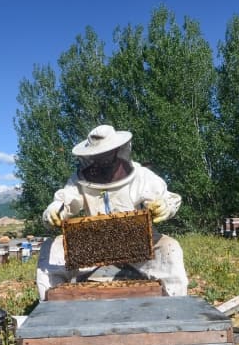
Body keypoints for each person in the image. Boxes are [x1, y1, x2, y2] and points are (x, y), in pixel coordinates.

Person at [36, 124, 189, 300]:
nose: (100, 161)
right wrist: (54, 211)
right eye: (96, 157)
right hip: (93, 245)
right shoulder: (79, 180)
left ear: (118, 151)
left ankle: (175, 307)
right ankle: (50, 311)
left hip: (138, 244)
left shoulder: (141, 175)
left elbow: (166, 198)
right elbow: (65, 200)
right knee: (52, 248)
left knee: (170, 249)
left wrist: (163, 206)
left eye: (105, 155)